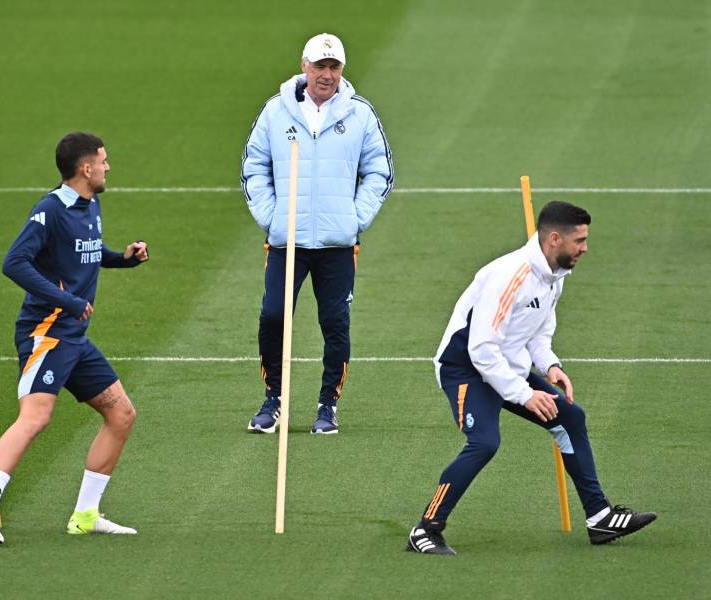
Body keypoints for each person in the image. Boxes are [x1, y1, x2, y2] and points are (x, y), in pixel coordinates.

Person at [407, 201, 656, 555]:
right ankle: (425, 530)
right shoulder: (510, 276)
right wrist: (524, 394)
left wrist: (551, 366)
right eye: (580, 241)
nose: (585, 248)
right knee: (484, 442)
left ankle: (599, 516)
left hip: (507, 368)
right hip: (466, 369)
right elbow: (481, 349)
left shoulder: (555, 275)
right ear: (555, 239)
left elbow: (538, 334)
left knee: (570, 417)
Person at [0, 132, 149, 545]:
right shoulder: (50, 210)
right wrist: (64, 299)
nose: (107, 166)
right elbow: (15, 263)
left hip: (75, 338)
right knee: (35, 418)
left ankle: (86, 514)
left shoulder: (90, 205)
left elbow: (88, 251)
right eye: (103, 160)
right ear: (85, 168)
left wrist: (123, 258)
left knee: (121, 415)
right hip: (45, 333)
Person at [241, 33, 393, 434]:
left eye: (334, 67)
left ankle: (328, 406)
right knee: (273, 317)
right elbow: (254, 166)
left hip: (337, 244)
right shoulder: (277, 111)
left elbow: (379, 170)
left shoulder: (359, 113)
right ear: (304, 66)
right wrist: (272, 217)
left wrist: (354, 218)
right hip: (285, 240)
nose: (327, 75)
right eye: (320, 66)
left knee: (334, 322)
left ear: (342, 69)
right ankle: (272, 400)